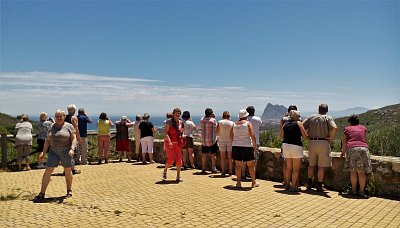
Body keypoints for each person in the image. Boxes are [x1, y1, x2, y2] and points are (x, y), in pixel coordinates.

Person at [35, 110, 77, 200]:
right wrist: (43, 152)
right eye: (57, 116)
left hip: (66, 151)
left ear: (64, 117)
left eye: (60, 116)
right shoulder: (51, 126)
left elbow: (74, 139)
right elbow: (47, 140)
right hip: (53, 151)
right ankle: (42, 193)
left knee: (67, 170)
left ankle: (69, 190)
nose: (58, 118)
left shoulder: (69, 126)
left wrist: (72, 149)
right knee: (48, 171)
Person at [303, 104, 337, 192]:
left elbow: (301, 125)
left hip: (312, 142)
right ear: (327, 110)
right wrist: (331, 138)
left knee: (311, 165)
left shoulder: (311, 117)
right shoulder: (328, 118)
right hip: (323, 142)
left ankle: (309, 184)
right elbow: (335, 128)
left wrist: (305, 136)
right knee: (321, 166)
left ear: (318, 109)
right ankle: (319, 185)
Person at [341, 115, 372, 198]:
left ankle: (354, 190)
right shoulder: (363, 128)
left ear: (350, 122)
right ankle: (361, 191)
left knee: (353, 171)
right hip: (363, 149)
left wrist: (342, 153)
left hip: (352, 149)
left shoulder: (347, 129)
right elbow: (363, 138)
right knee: (361, 172)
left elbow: (344, 142)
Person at [281, 110, 308, 192]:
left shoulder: (285, 125)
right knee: (296, 168)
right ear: (296, 117)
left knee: (288, 167)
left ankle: (287, 185)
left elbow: (281, 136)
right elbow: (305, 136)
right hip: (296, 146)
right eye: (298, 115)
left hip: (286, 146)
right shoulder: (299, 123)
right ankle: (293, 186)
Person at [231, 109, 259, 188]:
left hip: (236, 146)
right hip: (246, 146)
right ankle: (253, 182)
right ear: (246, 116)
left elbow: (231, 136)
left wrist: (234, 143)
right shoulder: (248, 123)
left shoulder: (234, 124)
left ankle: (238, 183)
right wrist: (254, 145)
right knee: (250, 165)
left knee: (238, 165)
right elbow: (252, 135)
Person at [163, 108, 184, 182]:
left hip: (178, 143)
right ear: (173, 114)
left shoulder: (181, 122)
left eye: (179, 113)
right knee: (171, 160)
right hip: (170, 143)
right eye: (176, 113)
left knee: (179, 160)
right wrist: (169, 142)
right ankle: (165, 169)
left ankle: (178, 176)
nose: (177, 114)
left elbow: (181, 132)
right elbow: (165, 132)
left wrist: (182, 136)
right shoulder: (169, 122)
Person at [280, 105, 299, 186]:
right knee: (296, 166)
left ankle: (286, 181)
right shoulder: (298, 120)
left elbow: (281, 130)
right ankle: (296, 182)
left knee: (286, 164)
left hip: (285, 143)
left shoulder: (283, 119)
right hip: (296, 143)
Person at [242, 106, 262, 179]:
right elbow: (260, 125)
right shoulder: (258, 119)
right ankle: (253, 175)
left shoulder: (244, 120)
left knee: (244, 159)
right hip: (255, 141)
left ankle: (243, 174)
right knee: (255, 159)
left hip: (245, 141)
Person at [200, 108, 218, 173]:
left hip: (204, 141)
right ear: (211, 114)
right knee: (213, 155)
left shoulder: (201, 119)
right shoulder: (213, 120)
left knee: (204, 155)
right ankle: (213, 168)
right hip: (212, 140)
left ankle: (203, 167)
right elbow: (216, 129)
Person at [216, 111, 234, 175]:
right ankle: (230, 171)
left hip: (222, 140)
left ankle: (223, 171)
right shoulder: (232, 123)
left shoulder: (219, 122)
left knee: (222, 157)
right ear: (229, 116)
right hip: (230, 141)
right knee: (230, 157)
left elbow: (217, 132)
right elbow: (233, 133)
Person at [66, 104, 81, 174]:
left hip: (65, 137)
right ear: (74, 110)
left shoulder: (64, 117)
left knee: (66, 154)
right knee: (73, 154)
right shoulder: (73, 118)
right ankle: (72, 169)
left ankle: (66, 170)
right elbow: (76, 129)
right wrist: (79, 138)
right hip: (72, 138)